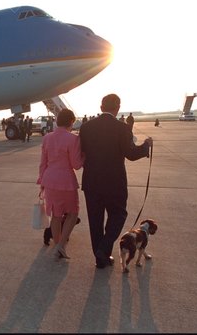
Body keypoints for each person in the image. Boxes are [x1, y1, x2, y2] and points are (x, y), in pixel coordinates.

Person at [79, 94, 152, 269]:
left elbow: (83, 151)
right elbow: (131, 154)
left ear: (101, 107)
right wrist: (145, 146)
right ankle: (104, 249)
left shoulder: (86, 127)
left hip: (92, 181)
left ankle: (100, 259)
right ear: (118, 107)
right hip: (115, 182)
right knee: (118, 215)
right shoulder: (123, 127)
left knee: (95, 221)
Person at [37, 109, 83, 259]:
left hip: (49, 180)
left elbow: (43, 163)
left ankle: (57, 244)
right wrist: (85, 156)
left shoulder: (47, 138)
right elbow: (76, 164)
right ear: (71, 122)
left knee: (56, 215)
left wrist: (41, 181)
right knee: (72, 213)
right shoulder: (73, 139)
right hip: (66, 181)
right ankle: (61, 245)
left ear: (57, 121)